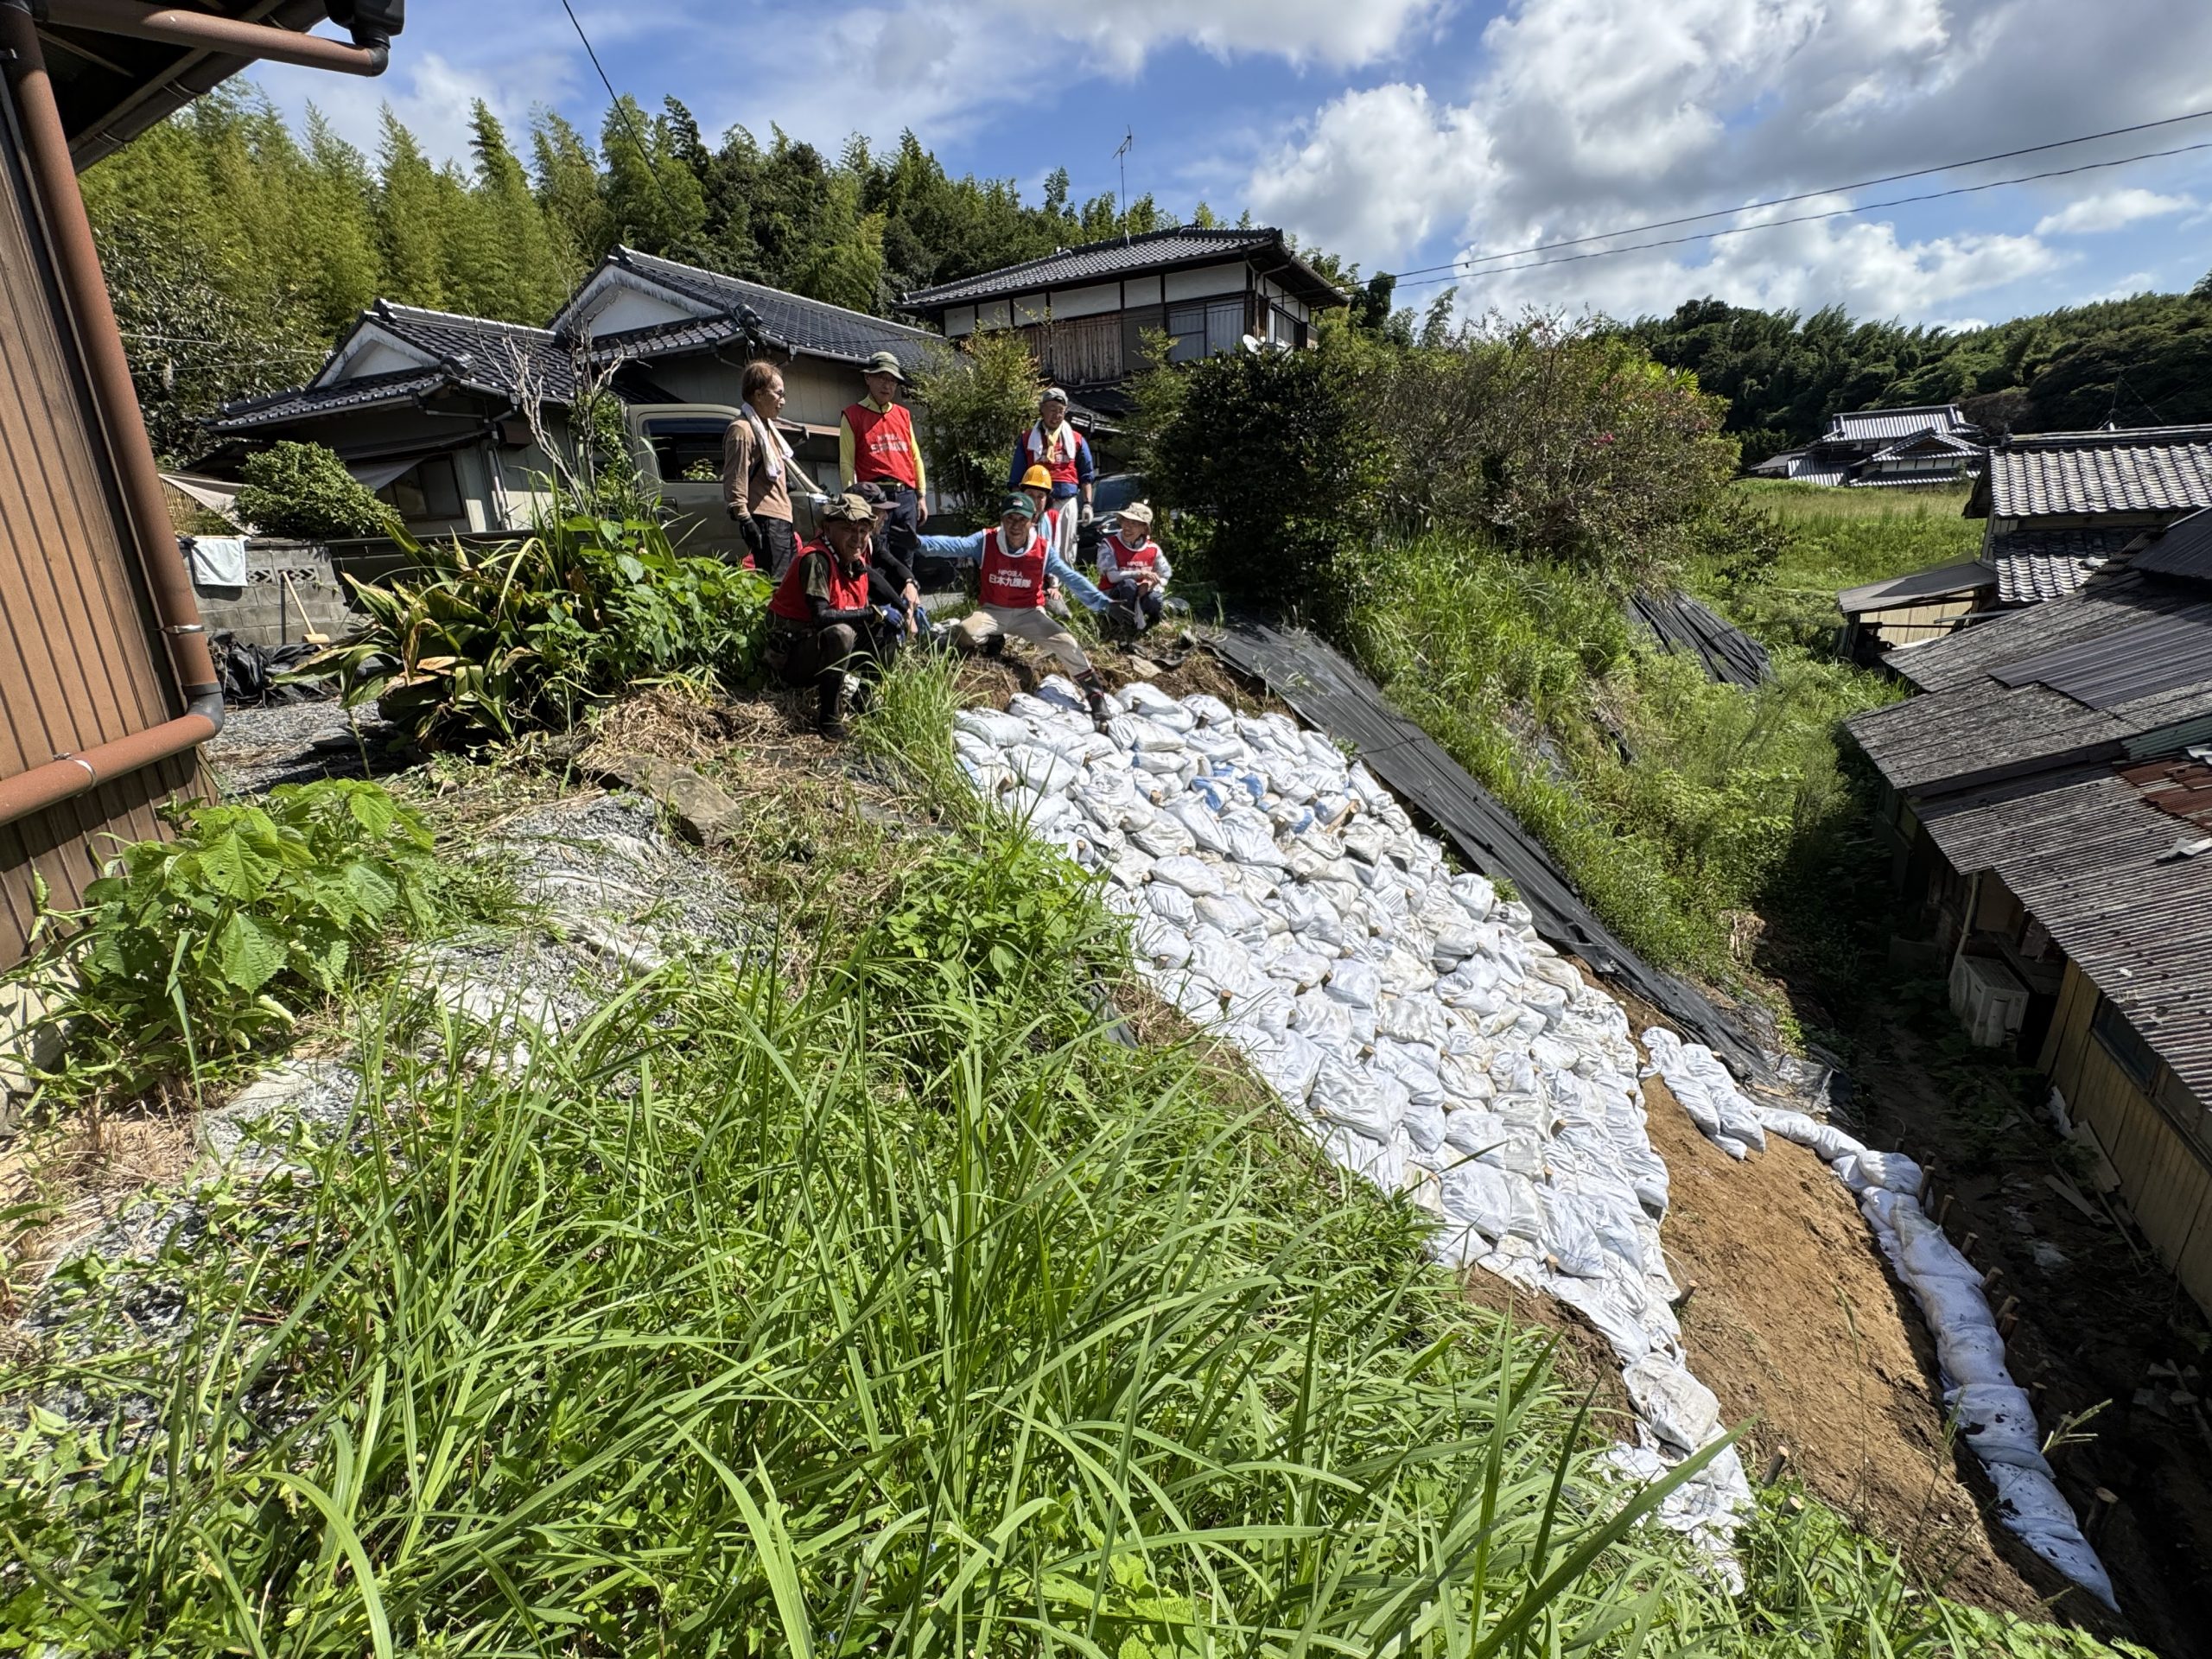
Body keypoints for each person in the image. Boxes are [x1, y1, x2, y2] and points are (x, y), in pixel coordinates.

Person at [916, 494, 1112, 728]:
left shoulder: (1042, 548)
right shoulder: (987, 540)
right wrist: (918, 543)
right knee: (964, 631)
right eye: (1010, 519)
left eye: (1022, 519)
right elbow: (954, 545)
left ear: (1032, 520)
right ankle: (987, 639)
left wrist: (1104, 604)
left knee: (1067, 642)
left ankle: (1095, 694)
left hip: (1029, 614)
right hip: (993, 611)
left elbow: (1071, 578)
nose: (1015, 525)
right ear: (1002, 519)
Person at [764, 492, 914, 738]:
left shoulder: (852, 561)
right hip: (792, 655)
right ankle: (828, 718)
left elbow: (874, 585)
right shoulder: (817, 559)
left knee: (889, 629)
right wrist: (873, 613)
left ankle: (862, 700)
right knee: (842, 633)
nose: (857, 539)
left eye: (863, 531)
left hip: (822, 649)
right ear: (827, 529)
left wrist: (902, 609)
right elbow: (820, 616)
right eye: (848, 529)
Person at [839, 349, 926, 581]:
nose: (887, 385)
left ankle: (906, 608)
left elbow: (915, 456)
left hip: (906, 495)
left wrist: (921, 495)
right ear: (868, 378)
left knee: (906, 555)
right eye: (881, 377)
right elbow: (846, 462)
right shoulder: (852, 415)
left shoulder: (903, 415)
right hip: (875, 498)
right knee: (876, 555)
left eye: (892, 380)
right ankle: (879, 612)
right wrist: (852, 500)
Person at [721, 359, 802, 577]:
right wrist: (745, 519)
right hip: (765, 519)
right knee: (774, 586)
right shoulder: (742, 429)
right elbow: (734, 478)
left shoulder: (767, 428)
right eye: (778, 394)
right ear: (758, 395)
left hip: (782, 517)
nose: (783, 401)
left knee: (789, 585)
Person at [1007, 387, 1093, 567]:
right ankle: (1039, 588)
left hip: (1066, 499)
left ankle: (1062, 590)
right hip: (1036, 501)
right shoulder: (1027, 439)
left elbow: (1086, 475)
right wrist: (1019, 508)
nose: (1057, 415)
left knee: (1066, 547)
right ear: (1042, 409)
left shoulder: (1076, 439)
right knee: (1037, 544)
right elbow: (1016, 479)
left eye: (1061, 411)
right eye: (1052, 409)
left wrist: (1087, 504)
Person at [1014, 463, 1112, 618]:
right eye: (1031, 495)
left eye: (1041, 496)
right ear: (1022, 494)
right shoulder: (1013, 518)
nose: (1035, 500)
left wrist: (1054, 586)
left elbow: (1056, 552)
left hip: (1044, 582)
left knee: (1064, 615)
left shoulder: (1052, 518)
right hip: (1017, 583)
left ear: (1047, 499)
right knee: (1036, 617)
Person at [1096, 501, 1172, 634]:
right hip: (1112, 597)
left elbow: (1165, 575)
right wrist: (1140, 573)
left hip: (1140, 596)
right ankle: (1124, 627)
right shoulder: (1108, 544)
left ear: (1144, 529)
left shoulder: (1153, 549)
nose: (1127, 527)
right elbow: (1112, 577)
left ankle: (1150, 625)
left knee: (1155, 599)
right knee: (1128, 584)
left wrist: (1148, 583)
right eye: (1125, 521)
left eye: (1134, 524)